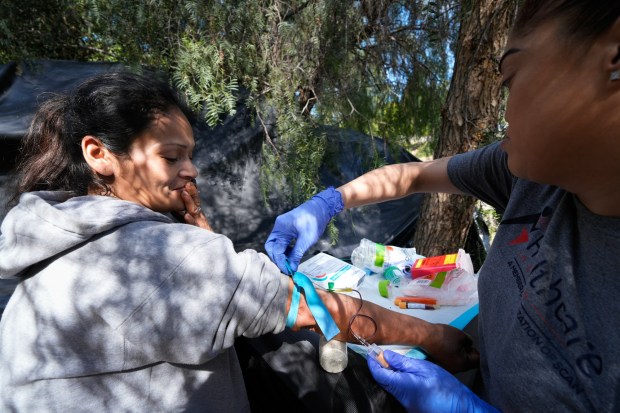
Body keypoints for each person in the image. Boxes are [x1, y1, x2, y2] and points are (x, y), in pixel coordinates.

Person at [0, 71, 477, 412]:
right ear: (98, 154)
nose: (191, 170)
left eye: (190, 155)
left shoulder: (53, 234)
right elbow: (321, 309)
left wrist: (202, 239)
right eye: (171, 156)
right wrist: (438, 338)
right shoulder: (160, 256)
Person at [265, 1, 620, 411]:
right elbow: (413, 175)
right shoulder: (532, 178)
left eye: (512, 78)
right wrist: (330, 202)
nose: (503, 112)